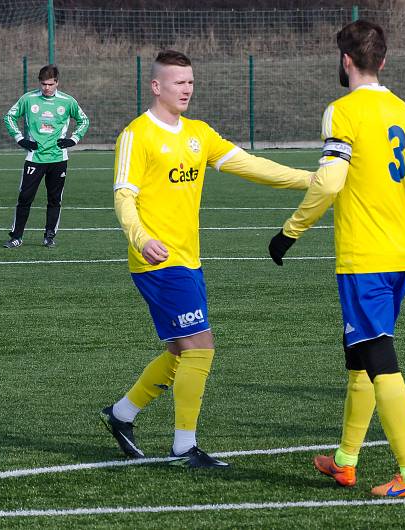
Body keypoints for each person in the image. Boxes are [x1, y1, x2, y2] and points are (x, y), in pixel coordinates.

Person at [101, 50, 314, 468]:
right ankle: (183, 446)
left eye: (191, 82)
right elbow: (124, 196)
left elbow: (250, 165)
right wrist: (140, 237)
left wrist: (311, 180)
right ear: (156, 86)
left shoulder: (199, 133)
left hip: (189, 259)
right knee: (201, 345)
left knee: (183, 349)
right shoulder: (136, 135)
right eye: (179, 82)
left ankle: (121, 414)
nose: (187, 89)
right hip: (158, 261)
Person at [267, 20, 405, 497]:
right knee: (360, 356)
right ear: (382, 61)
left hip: (366, 255)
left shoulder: (341, 111)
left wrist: (289, 232)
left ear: (345, 61)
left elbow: (329, 181)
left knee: (379, 357)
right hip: (403, 252)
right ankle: (345, 461)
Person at [3, 64, 90, 249]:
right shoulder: (28, 99)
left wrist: (73, 139)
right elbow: (9, 117)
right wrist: (20, 139)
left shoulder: (68, 102)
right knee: (25, 198)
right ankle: (16, 236)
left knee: (54, 199)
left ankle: (49, 236)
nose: (46, 88)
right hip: (34, 158)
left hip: (58, 159)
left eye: (50, 84)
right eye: (43, 84)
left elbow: (84, 120)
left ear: (57, 82)